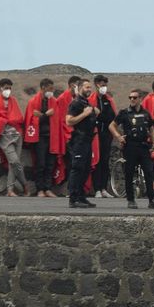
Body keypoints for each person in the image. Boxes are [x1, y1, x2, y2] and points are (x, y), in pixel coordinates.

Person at [108, 90, 154, 209]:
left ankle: (152, 200)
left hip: (143, 146)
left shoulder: (145, 113)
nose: (132, 100)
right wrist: (118, 137)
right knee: (129, 173)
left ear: (140, 99)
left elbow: (152, 128)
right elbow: (111, 126)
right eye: (130, 97)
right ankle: (131, 200)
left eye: (134, 98)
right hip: (130, 147)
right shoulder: (124, 113)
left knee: (149, 172)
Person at [23, 78, 62, 197]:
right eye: (50, 89)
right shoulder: (33, 102)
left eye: (52, 89)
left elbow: (56, 118)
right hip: (39, 138)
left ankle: (48, 188)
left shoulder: (54, 101)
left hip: (52, 137)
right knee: (40, 164)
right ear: (43, 88)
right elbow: (32, 120)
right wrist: (46, 115)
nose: (52, 91)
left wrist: (41, 115)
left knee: (51, 164)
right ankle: (40, 189)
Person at [64, 79, 98, 209]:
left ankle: (81, 196)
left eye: (90, 87)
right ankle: (73, 199)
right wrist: (85, 114)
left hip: (88, 140)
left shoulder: (86, 103)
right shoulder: (76, 103)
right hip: (79, 140)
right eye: (86, 87)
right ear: (80, 88)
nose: (89, 89)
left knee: (85, 169)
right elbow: (69, 121)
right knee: (77, 169)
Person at [86, 75, 117, 198]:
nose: (103, 86)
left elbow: (112, 117)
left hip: (106, 135)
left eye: (105, 84)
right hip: (95, 135)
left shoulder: (108, 100)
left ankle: (104, 188)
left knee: (105, 161)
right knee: (96, 161)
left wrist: (101, 115)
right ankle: (97, 189)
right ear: (96, 85)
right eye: (101, 84)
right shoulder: (91, 99)